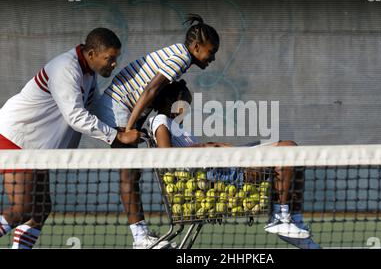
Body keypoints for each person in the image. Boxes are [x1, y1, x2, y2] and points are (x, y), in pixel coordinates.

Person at [0, 28, 141, 249]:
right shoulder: (66, 68)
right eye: (109, 58)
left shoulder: (88, 75)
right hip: (16, 139)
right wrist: (117, 136)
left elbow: (94, 109)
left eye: (116, 58)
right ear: (92, 53)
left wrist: (128, 125)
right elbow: (76, 116)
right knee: (23, 208)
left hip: (36, 149)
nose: (114, 64)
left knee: (40, 210)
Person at [94, 14, 220, 249]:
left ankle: (141, 235)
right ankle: (140, 238)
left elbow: (155, 94)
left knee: (132, 174)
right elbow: (150, 91)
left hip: (127, 109)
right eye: (211, 52)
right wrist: (129, 129)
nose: (213, 58)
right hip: (118, 107)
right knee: (129, 174)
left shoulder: (179, 56)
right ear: (196, 47)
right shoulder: (181, 58)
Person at [146, 80, 318, 243]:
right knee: (287, 151)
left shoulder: (177, 127)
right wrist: (206, 147)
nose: (187, 110)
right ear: (171, 101)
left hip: (227, 164)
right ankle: (282, 216)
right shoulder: (161, 120)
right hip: (222, 174)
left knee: (292, 149)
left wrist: (214, 146)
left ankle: (291, 217)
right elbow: (166, 156)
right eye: (186, 105)